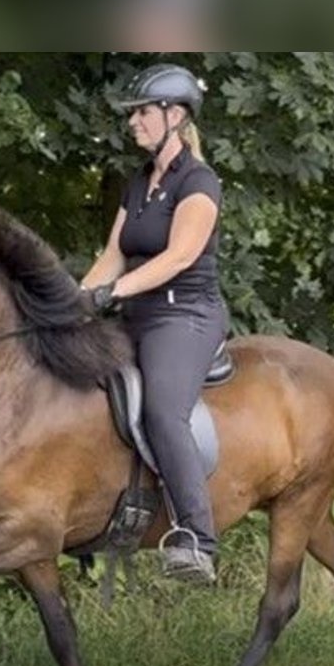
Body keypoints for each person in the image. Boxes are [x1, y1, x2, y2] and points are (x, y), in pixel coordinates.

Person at [80, 63, 229, 585]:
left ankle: (196, 537)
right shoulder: (140, 182)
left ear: (175, 115)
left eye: (142, 112)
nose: (133, 123)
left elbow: (178, 257)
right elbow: (113, 256)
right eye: (134, 114)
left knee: (165, 411)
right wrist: (73, 301)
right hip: (137, 312)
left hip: (185, 314)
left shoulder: (199, 181)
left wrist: (113, 292)